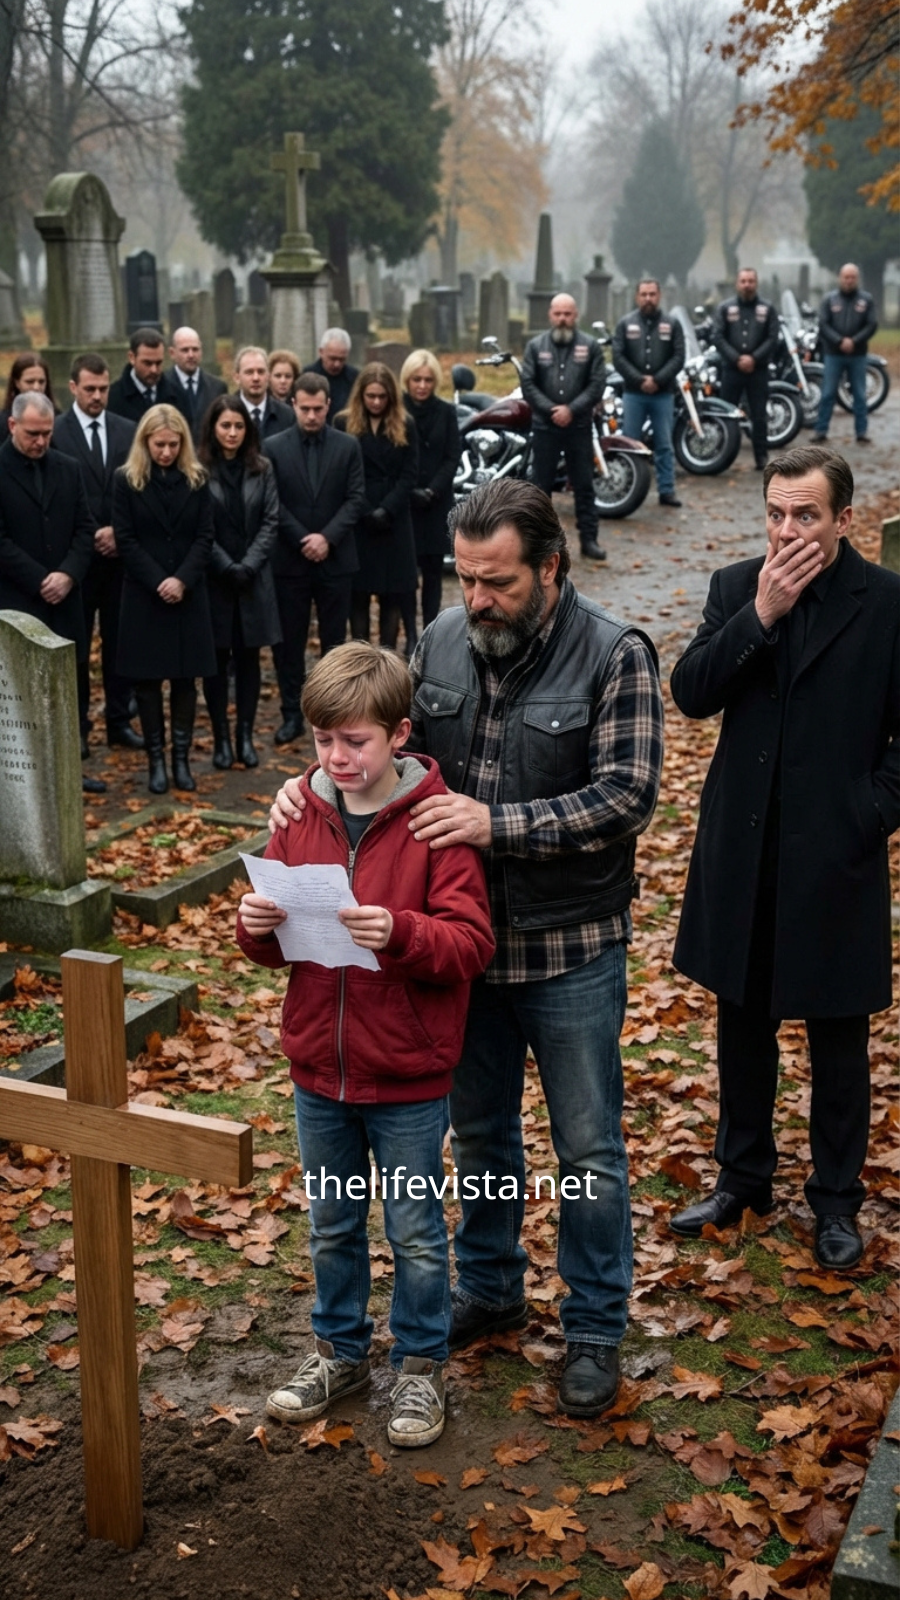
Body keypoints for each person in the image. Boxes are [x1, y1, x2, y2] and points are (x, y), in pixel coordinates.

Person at [269, 478, 664, 1419]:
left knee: (588, 1148)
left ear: (550, 568)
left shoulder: (616, 653)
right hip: (454, 955)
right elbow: (385, 746)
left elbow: (627, 796)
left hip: (568, 947)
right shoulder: (442, 639)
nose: (477, 599)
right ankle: (490, 1287)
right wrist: (308, 787)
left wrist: (499, 824)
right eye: (465, 577)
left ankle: (594, 1329)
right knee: (483, 1136)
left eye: (498, 582)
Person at [237, 641, 495, 1447]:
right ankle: (339, 1354)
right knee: (332, 1223)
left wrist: (402, 933)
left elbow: (470, 944)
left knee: (414, 1230)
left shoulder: (434, 824)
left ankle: (420, 1366)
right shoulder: (299, 814)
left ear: (399, 734)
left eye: (356, 741)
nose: (338, 757)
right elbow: (277, 943)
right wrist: (255, 927)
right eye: (324, 740)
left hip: (407, 1075)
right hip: (320, 1068)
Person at [669, 445, 899, 1270]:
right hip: (746, 846)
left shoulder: (886, 602)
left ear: (844, 519)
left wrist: (869, 814)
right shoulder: (738, 587)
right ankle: (744, 1178)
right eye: (775, 513)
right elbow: (691, 692)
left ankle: (836, 1200)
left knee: (838, 1034)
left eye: (806, 514)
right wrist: (760, 616)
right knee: (743, 1021)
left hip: (837, 852)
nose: (787, 529)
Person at [112, 404, 216, 793]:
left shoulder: (197, 479)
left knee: (186, 681)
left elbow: (205, 536)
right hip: (145, 595)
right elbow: (125, 538)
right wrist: (160, 580)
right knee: (148, 683)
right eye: (159, 445)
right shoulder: (127, 480)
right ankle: (155, 760)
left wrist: (182, 580)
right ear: (145, 442)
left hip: (188, 593)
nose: (167, 452)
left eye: (173, 444)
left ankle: (181, 761)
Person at [0, 391, 101, 793]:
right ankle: (23, 780)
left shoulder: (68, 468)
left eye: (46, 433)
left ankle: (69, 770)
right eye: (32, 434)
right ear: (12, 425)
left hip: (65, 602)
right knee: (21, 694)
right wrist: (41, 578)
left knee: (69, 690)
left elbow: (85, 529)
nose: (41, 441)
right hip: (17, 602)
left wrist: (68, 575)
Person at [263, 371, 365, 745]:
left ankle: (333, 713)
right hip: (290, 560)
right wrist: (303, 539)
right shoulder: (273, 447)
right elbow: (272, 501)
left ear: (328, 405)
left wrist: (327, 538)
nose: (311, 415)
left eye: (317, 409)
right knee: (289, 643)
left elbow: (355, 498)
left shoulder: (347, 446)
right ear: (293, 405)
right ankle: (291, 713)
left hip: (336, 559)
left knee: (334, 642)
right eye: (304, 408)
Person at [53, 353, 142, 757]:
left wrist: (118, 532)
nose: (97, 396)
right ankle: (79, 727)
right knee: (76, 646)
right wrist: (90, 535)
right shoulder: (57, 432)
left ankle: (119, 722)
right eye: (89, 389)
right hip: (77, 562)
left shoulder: (126, 430)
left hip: (120, 559)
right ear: (73, 387)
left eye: (103, 388)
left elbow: (136, 489)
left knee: (119, 644)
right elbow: (58, 498)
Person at [197, 396, 281, 769]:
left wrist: (247, 564)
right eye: (225, 426)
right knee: (216, 662)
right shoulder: (199, 469)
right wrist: (224, 564)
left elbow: (271, 520)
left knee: (249, 660)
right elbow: (198, 524)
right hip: (214, 578)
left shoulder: (262, 468)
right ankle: (221, 738)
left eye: (239, 426)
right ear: (213, 428)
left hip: (252, 577)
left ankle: (245, 736)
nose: (232, 433)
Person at [336, 362, 419, 658]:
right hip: (359, 519)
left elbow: (410, 473)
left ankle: (386, 659)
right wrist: (364, 509)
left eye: (382, 396)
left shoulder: (405, 423)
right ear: (361, 395)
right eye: (370, 396)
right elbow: (341, 472)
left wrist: (387, 509)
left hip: (394, 520)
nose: (375, 402)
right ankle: (360, 659)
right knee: (357, 596)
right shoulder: (343, 422)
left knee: (392, 596)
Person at [521, 293, 607, 561]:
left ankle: (589, 540)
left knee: (584, 486)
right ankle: (539, 545)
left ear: (575, 315)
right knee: (540, 489)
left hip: (578, 426)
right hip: (545, 428)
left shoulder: (590, 347)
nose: (562, 319)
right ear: (550, 315)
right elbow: (528, 384)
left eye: (567, 314)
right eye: (557, 314)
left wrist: (571, 409)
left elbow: (597, 384)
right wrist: (551, 410)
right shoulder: (535, 346)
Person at [612, 279, 685, 508]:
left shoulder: (672, 324)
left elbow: (678, 356)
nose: (648, 299)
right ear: (637, 297)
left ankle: (667, 491)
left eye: (652, 294)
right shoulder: (625, 324)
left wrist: (658, 379)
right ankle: (626, 489)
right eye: (643, 294)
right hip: (634, 394)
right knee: (629, 444)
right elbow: (618, 357)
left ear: (659, 296)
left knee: (664, 444)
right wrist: (639, 380)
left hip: (663, 395)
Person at [401, 347, 460, 631]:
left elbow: (452, 456)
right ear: (407, 380)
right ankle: (410, 632)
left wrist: (433, 490)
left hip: (436, 502)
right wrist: (410, 490)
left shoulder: (446, 412)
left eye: (427, 380)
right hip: (405, 502)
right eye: (416, 379)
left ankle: (430, 629)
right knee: (406, 574)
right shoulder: (397, 411)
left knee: (434, 572)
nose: (422, 385)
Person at [713, 268, 778, 470]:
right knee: (726, 414)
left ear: (756, 283)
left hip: (758, 371)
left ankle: (761, 456)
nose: (747, 285)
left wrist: (754, 358)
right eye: (743, 281)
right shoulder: (725, 308)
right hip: (731, 370)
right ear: (737, 284)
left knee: (759, 415)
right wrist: (736, 358)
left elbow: (772, 338)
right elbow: (718, 336)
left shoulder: (767, 309)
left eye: (751, 281)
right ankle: (721, 455)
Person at [812, 263, 878, 446]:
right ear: (840, 278)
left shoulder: (866, 300)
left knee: (859, 394)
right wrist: (839, 341)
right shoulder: (829, 299)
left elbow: (871, 324)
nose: (849, 280)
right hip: (834, 354)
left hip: (858, 355)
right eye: (846, 277)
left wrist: (854, 341)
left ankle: (861, 432)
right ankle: (821, 430)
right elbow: (823, 324)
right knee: (827, 393)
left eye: (852, 277)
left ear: (857, 279)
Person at [158, 325, 226, 442]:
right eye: (185, 350)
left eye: (195, 349)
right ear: (172, 353)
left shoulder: (217, 387)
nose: (191, 355)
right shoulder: (160, 385)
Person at [231, 346, 294, 440]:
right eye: (249, 372)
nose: (256, 378)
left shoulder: (286, 415)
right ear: (237, 378)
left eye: (261, 372)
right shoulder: (225, 414)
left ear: (268, 376)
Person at [107, 328, 166, 423]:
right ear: (132, 358)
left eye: (158, 363)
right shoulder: (112, 398)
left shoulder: (177, 396)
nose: (154, 370)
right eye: (147, 363)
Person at [303, 328, 359, 423]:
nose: (337, 364)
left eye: (342, 359)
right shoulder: (307, 375)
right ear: (321, 352)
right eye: (332, 358)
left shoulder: (354, 378)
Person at [0, 353, 57, 431]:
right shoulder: (3, 423)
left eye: (41, 382)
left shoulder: (58, 420)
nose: (36, 387)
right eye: (30, 382)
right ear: (17, 383)